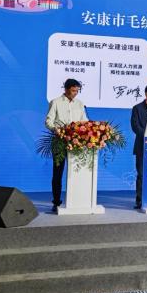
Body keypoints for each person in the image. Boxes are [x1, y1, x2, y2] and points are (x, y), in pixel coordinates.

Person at [45, 78, 88, 212]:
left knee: (77, 171)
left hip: (76, 142)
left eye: (77, 91)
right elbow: (48, 121)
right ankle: (56, 202)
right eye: (73, 90)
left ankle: (77, 200)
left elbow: (84, 121)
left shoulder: (80, 104)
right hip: (60, 140)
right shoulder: (56, 102)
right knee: (58, 172)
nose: (75, 93)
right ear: (66, 89)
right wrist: (55, 129)